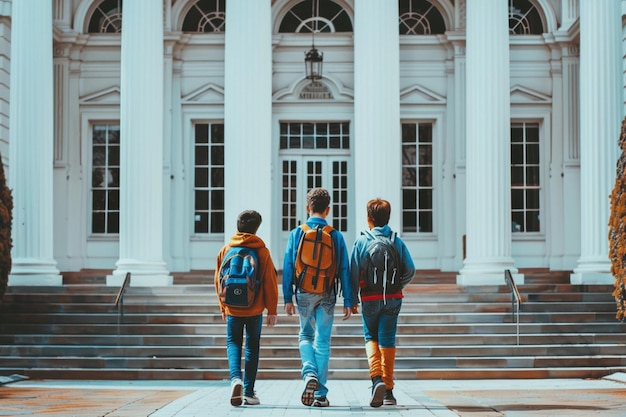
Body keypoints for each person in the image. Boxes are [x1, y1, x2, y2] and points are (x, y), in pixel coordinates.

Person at [283, 187, 355, 408]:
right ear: (328, 209)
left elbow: (287, 266)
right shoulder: (335, 235)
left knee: (305, 334)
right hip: (327, 292)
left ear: (307, 208)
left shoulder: (297, 233)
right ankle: (320, 395)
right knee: (322, 340)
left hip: (303, 292)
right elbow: (345, 268)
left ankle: (309, 374)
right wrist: (349, 300)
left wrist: (287, 297)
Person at [350, 198, 415, 407]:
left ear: (369, 218)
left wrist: (351, 299)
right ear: (388, 218)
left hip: (369, 298)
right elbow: (410, 269)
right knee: (388, 340)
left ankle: (376, 378)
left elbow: (352, 272)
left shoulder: (361, 241)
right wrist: (397, 286)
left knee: (371, 337)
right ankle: (388, 391)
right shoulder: (397, 240)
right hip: (393, 299)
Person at [214, 210, 278, 407]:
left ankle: (236, 379)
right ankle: (249, 393)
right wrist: (272, 309)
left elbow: (217, 279)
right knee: (252, 346)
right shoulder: (262, 251)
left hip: (233, 307)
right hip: (255, 308)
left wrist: (222, 305)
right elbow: (270, 282)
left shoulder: (226, 249)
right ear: (256, 228)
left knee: (233, 343)